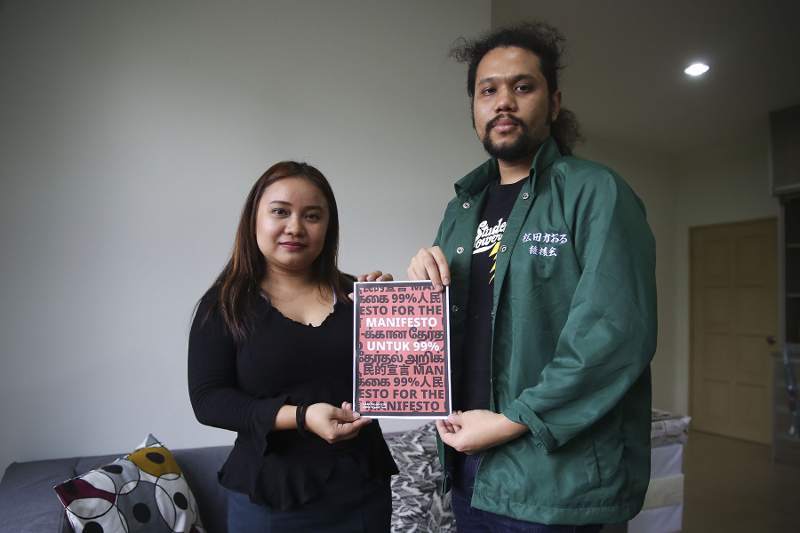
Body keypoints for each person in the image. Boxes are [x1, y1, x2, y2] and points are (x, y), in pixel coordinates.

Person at [407, 21, 657, 531]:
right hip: (467, 461)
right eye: (488, 90)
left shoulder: (596, 192)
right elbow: (459, 330)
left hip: (552, 478)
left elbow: (613, 334)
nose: (503, 102)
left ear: (554, 101)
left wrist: (510, 421)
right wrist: (412, 287)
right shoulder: (460, 209)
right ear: (474, 108)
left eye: (522, 87)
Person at [188, 161, 398, 533]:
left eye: (312, 215)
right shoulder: (224, 304)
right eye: (280, 211)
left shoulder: (358, 297)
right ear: (254, 219)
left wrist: (395, 308)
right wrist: (301, 417)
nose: (295, 227)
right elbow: (208, 399)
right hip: (271, 499)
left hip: (363, 489)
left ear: (328, 226)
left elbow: (401, 376)